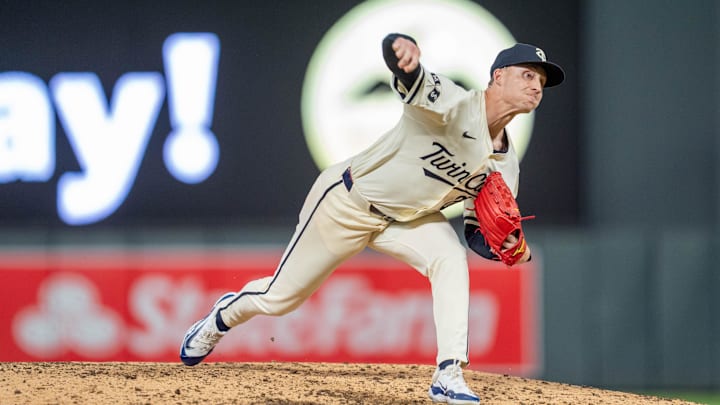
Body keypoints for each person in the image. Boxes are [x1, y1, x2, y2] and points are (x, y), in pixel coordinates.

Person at [180, 32, 564, 404]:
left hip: (408, 221)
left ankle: (449, 373)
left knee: (449, 258)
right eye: (528, 75)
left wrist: (508, 248)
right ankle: (222, 317)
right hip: (349, 201)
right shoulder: (453, 102)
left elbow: (475, 232)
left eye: (542, 82)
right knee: (282, 297)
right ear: (498, 77)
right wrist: (400, 49)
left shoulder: (505, 168)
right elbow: (407, 73)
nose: (536, 87)